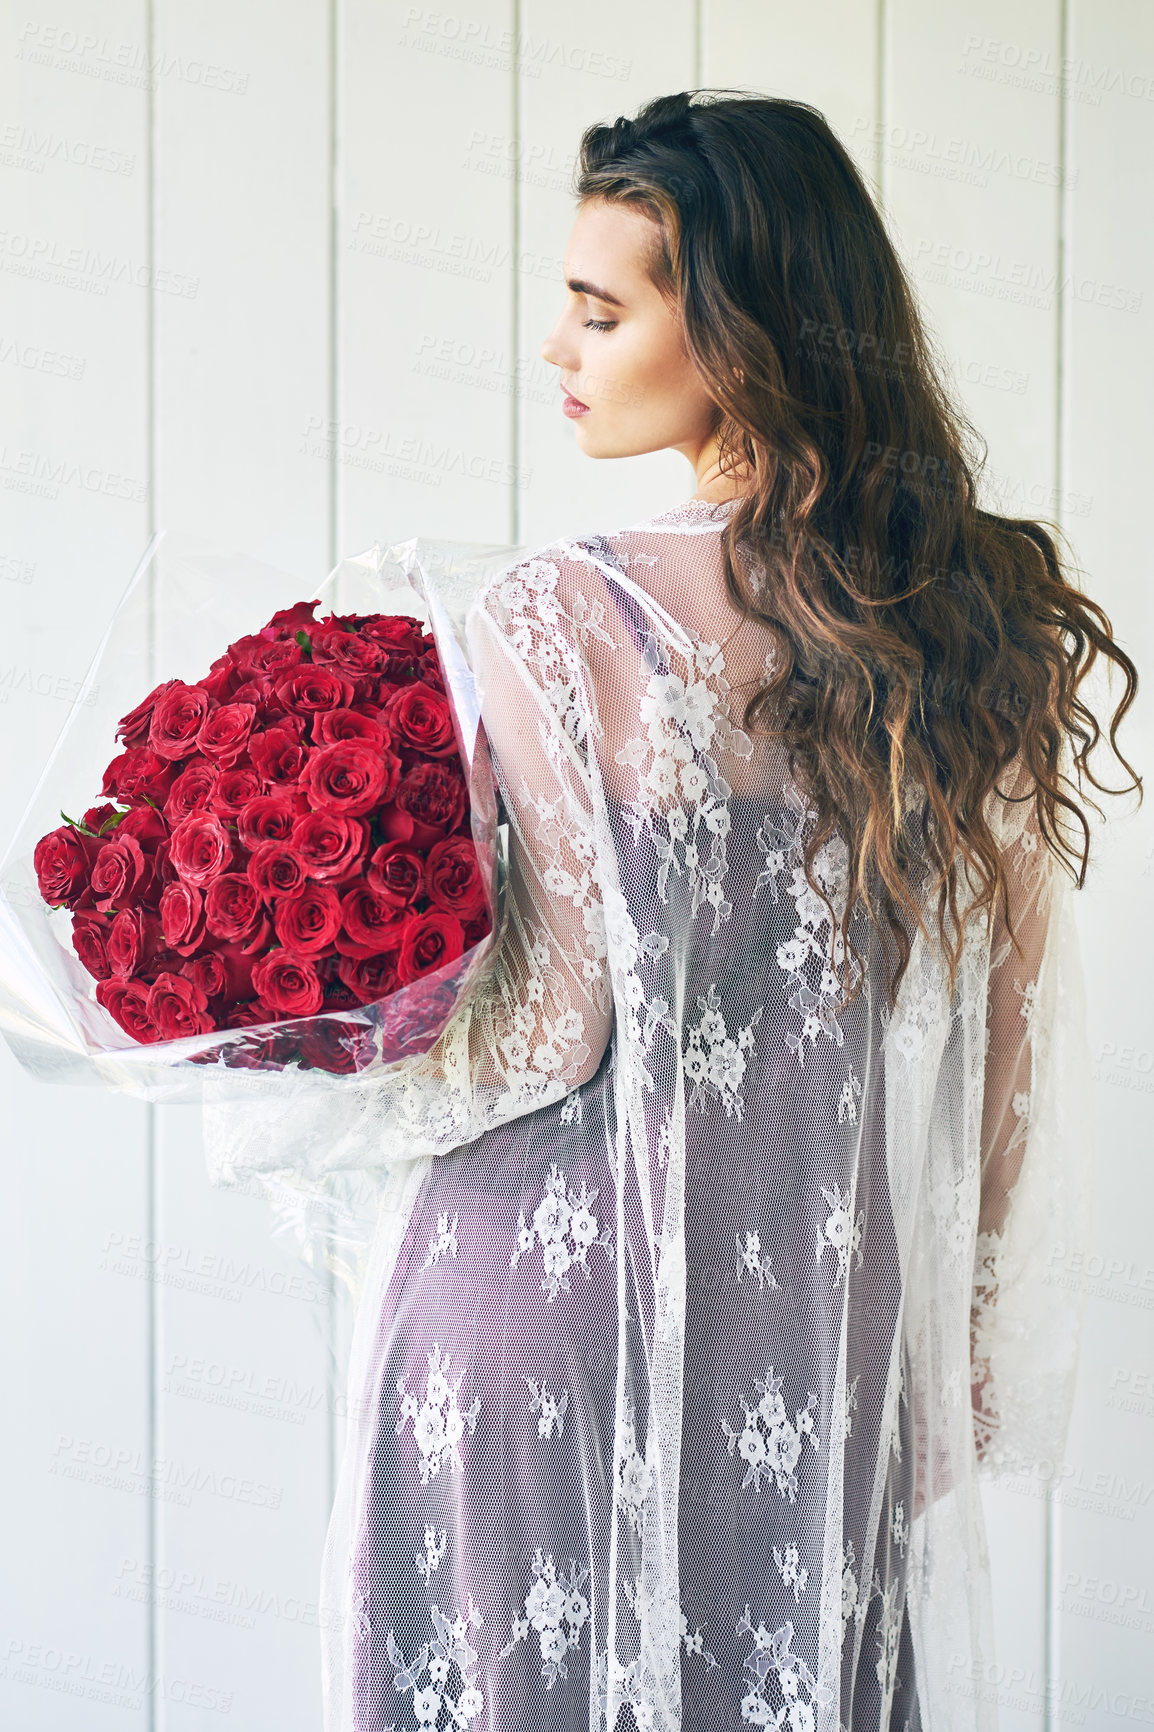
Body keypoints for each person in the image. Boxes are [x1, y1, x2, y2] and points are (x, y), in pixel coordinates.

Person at [212, 92, 1140, 1732]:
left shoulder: (562, 610)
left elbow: (557, 1030)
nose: (554, 345)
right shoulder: (970, 613)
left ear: (736, 332)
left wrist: (297, 1082)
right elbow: (999, 1030)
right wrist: (944, 1328)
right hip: (820, 1334)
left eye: (599, 306)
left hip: (544, 1316)